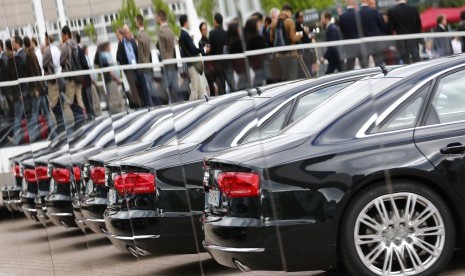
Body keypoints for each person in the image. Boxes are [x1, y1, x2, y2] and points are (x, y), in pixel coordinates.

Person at [25, 36, 55, 141]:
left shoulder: (29, 55)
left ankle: (32, 137)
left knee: (34, 114)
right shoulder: (33, 54)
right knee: (46, 113)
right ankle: (54, 134)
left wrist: (35, 89)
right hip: (41, 87)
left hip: (37, 89)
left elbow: (33, 73)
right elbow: (38, 71)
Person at [60, 26, 86, 130]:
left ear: (66, 34)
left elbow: (61, 61)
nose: (61, 37)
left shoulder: (65, 46)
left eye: (62, 35)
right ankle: (83, 118)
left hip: (71, 78)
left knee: (68, 102)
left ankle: (69, 125)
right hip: (79, 76)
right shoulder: (75, 44)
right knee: (79, 99)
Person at [116, 25, 147, 108]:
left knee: (140, 85)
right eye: (127, 33)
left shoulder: (133, 41)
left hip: (137, 68)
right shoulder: (121, 44)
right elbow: (119, 58)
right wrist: (125, 69)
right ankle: (138, 105)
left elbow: (137, 53)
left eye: (129, 32)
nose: (129, 34)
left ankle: (143, 104)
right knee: (133, 88)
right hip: (129, 70)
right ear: (124, 34)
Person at [270, 4, 303, 81]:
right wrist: (299, 35)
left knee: (284, 78)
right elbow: (293, 38)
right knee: (292, 77)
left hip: (279, 55)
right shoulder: (289, 21)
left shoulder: (274, 22)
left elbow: (271, 40)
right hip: (291, 54)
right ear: (289, 12)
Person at [179, 14, 207, 101]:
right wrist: (204, 50)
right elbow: (193, 49)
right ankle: (190, 109)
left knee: (200, 91)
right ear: (186, 22)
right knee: (195, 91)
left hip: (191, 65)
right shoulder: (185, 35)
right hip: (192, 66)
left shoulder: (182, 35)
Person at [157, 10, 181, 102]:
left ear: (160, 18)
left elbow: (162, 50)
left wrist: (162, 63)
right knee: (175, 88)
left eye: (157, 17)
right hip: (173, 62)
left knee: (169, 89)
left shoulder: (161, 32)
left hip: (167, 63)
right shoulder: (170, 30)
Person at [136, 14, 158, 105]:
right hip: (150, 64)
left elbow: (140, 55)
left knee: (147, 89)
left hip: (145, 67)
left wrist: (140, 68)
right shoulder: (147, 35)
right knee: (151, 88)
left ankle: (151, 107)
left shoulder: (140, 36)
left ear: (138, 22)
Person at [97, 42, 124, 113]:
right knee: (114, 98)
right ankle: (116, 112)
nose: (110, 48)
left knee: (118, 96)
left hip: (114, 79)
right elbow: (109, 70)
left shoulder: (108, 55)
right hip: (111, 79)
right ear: (105, 47)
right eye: (109, 46)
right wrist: (116, 78)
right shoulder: (104, 56)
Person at [359, 0, 386, 66]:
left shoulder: (357, 13)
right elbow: (382, 26)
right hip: (376, 42)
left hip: (363, 44)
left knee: (364, 66)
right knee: (379, 65)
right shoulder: (374, 12)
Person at [339, 0, 364, 70]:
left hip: (349, 45)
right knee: (364, 65)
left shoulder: (342, 17)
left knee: (350, 66)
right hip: (360, 43)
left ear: (347, 3)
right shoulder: (358, 14)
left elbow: (342, 32)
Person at [75, 33, 94, 119]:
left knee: (87, 96)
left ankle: (90, 113)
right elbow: (85, 64)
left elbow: (84, 64)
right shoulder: (79, 49)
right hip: (84, 77)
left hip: (84, 78)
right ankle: (90, 113)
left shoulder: (78, 49)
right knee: (87, 96)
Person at [208, 13, 228, 95]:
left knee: (220, 85)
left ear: (215, 21)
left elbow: (211, 50)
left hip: (216, 64)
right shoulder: (226, 33)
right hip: (226, 62)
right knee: (227, 83)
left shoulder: (212, 33)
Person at [245, 18, 266, 86]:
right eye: (258, 24)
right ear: (254, 26)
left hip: (254, 67)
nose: (260, 25)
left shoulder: (247, 40)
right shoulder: (259, 39)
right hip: (261, 66)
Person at [295, 10, 316, 77]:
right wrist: (310, 37)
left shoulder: (300, 26)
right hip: (303, 54)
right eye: (300, 17)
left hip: (305, 53)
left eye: (303, 16)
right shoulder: (297, 27)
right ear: (297, 18)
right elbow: (302, 40)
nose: (302, 18)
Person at [228, 23, 247, 91]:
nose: (240, 31)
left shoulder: (231, 44)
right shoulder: (240, 42)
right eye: (238, 29)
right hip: (243, 70)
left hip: (237, 72)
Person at [199, 22, 215, 95]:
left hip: (214, 65)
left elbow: (210, 49)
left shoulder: (210, 39)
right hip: (208, 67)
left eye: (206, 29)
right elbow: (204, 52)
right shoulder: (201, 42)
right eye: (203, 30)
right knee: (211, 87)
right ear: (201, 31)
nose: (205, 31)